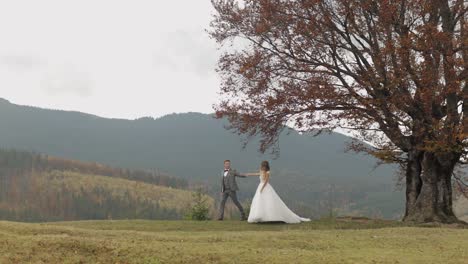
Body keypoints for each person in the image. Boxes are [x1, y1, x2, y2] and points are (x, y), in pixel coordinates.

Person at [244, 161, 311, 223]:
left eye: (264, 166)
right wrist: (249, 174)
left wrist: (262, 188)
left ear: (266, 167)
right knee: (259, 202)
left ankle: (271, 217)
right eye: (262, 166)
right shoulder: (261, 171)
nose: (263, 167)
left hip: (265, 187)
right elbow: (257, 174)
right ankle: (259, 217)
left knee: (269, 202)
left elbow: (266, 181)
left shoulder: (267, 172)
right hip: (260, 186)